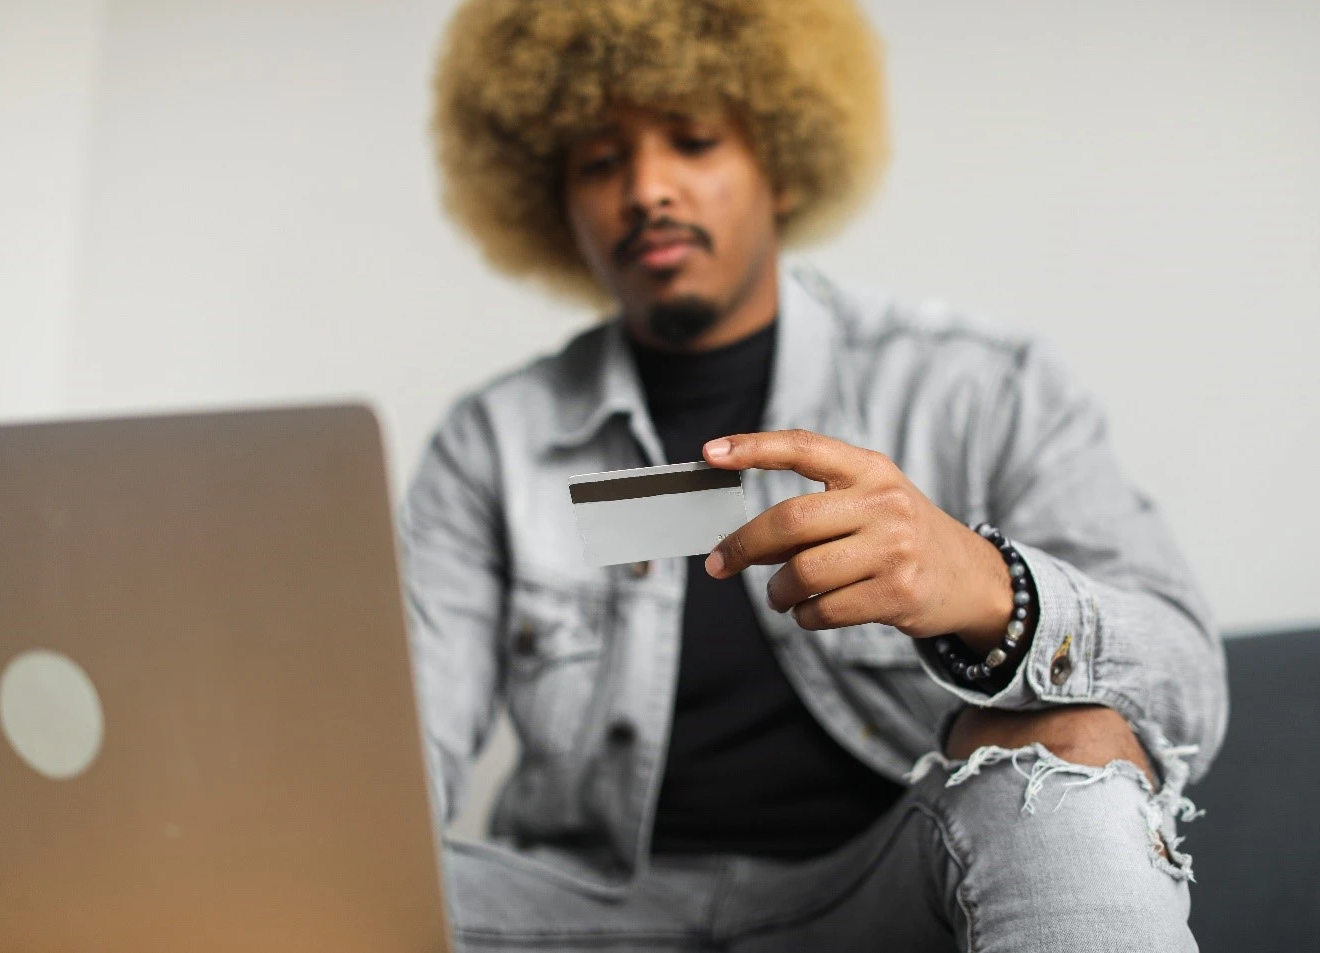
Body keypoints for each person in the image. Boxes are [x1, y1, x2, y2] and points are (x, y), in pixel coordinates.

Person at [402, 0, 1227, 949]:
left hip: (882, 898)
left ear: (783, 163)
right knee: (303, 875)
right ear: (556, 206)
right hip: (585, 917)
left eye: (695, 141)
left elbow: (1186, 685)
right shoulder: (492, 444)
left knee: (1078, 752)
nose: (647, 190)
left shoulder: (974, 387)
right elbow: (402, 751)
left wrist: (989, 592)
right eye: (600, 161)